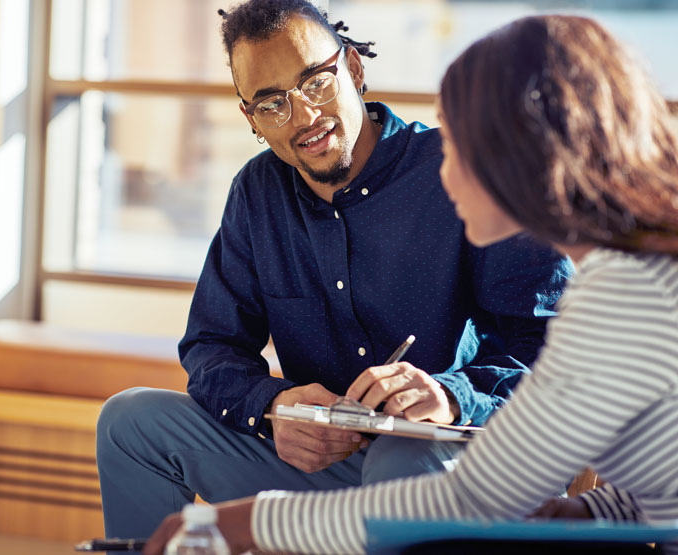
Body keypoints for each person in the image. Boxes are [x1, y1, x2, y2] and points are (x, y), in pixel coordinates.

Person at [142, 13, 678, 555]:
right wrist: (584, 511)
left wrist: (246, 526)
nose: (443, 172)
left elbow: (460, 497)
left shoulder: (626, 291)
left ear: (531, 155)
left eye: (459, 146)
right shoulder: (663, 268)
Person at [95, 0, 572, 541]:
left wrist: (451, 396)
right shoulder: (256, 194)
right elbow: (211, 347)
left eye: (316, 82)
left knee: (401, 459)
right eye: (273, 104)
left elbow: (553, 349)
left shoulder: (463, 171)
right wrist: (271, 407)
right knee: (129, 422)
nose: (303, 117)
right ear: (251, 119)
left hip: (460, 463)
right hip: (325, 469)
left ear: (354, 68)